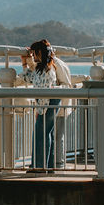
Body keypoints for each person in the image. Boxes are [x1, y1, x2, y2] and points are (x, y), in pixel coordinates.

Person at [22, 39, 72, 170]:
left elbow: (44, 91)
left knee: (40, 134)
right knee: (46, 133)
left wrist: (40, 110)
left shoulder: (46, 70)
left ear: (40, 53)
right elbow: (28, 78)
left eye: (34, 53)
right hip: (50, 101)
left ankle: (39, 166)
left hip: (48, 102)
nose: (32, 56)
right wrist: (24, 63)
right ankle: (47, 166)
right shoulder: (44, 68)